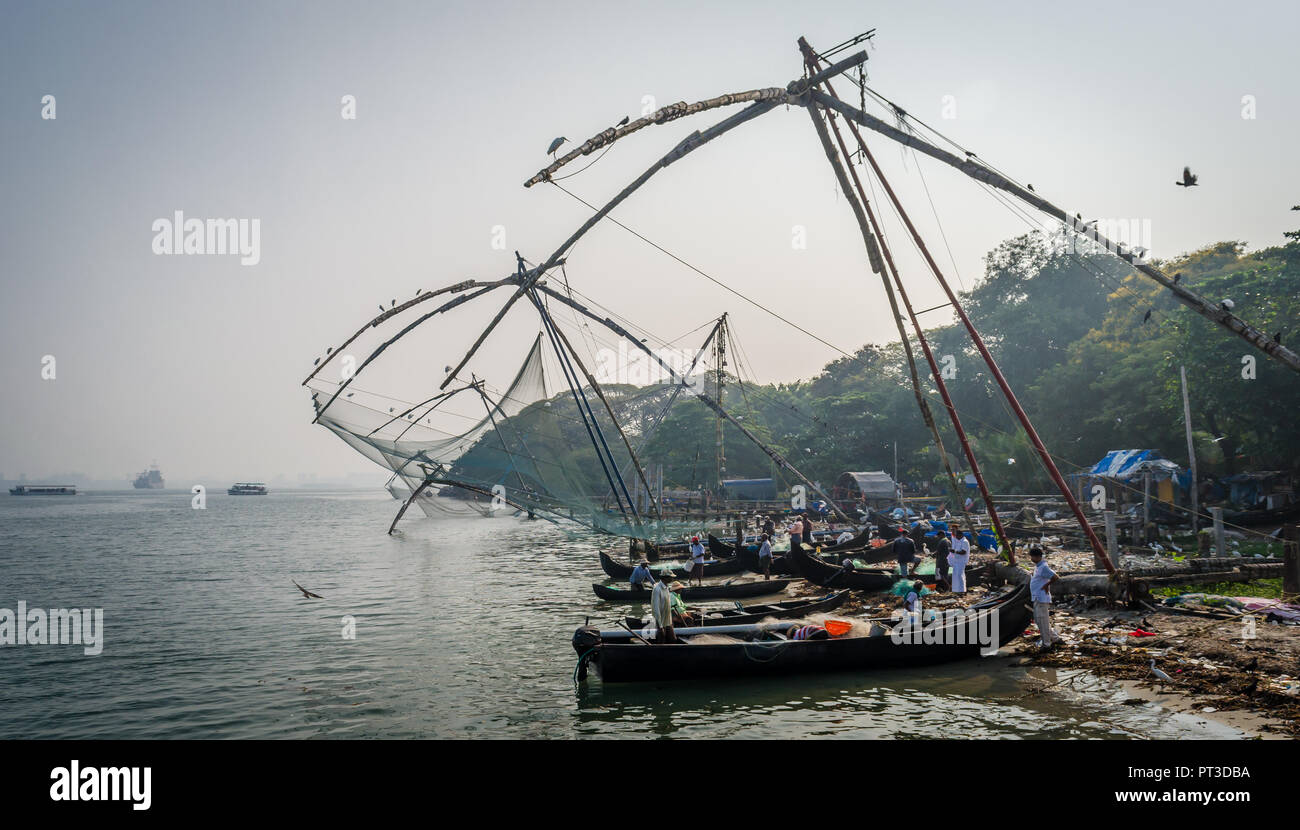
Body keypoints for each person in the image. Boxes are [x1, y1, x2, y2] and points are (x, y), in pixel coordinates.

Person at [1029, 547, 1063, 649]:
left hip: (1041, 598)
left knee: (1042, 622)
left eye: (1032, 556)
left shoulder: (1043, 567)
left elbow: (1055, 577)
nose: (1031, 559)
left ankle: (1046, 645)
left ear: (1038, 557)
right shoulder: (1038, 566)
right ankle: (1056, 639)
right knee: (1041, 621)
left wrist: (1046, 585)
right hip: (1037, 597)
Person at [650, 571, 677, 643]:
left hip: (668, 619)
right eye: (671, 577)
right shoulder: (657, 589)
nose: (672, 579)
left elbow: (667, 605)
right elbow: (655, 608)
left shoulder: (666, 588)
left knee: (672, 639)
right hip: (660, 620)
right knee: (662, 639)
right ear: (665, 578)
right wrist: (660, 625)